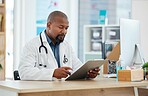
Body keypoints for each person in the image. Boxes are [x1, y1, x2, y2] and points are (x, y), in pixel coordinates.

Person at [18, 11, 100, 80]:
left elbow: (77, 68)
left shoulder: (67, 46)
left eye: (66, 28)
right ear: (49, 25)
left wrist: (88, 74)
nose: (64, 31)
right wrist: (52, 73)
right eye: (61, 27)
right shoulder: (32, 45)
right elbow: (24, 72)